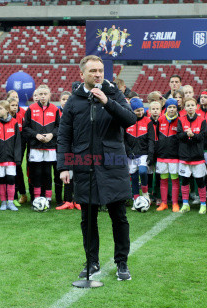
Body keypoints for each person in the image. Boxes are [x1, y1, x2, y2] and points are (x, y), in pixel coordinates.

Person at [57, 55, 136, 281]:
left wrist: (107, 102)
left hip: (113, 165)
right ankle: (92, 262)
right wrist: (64, 165)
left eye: (100, 70)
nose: (98, 74)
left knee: (119, 217)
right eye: (93, 71)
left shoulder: (113, 94)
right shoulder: (74, 100)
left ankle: (122, 263)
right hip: (85, 167)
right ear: (82, 74)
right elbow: (64, 136)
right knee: (88, 219)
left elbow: (130, 120)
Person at [24, 84, 60, 209]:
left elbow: (59, 127)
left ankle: (48, 199)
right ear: (37, 96)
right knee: (37, 173)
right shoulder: (31, 108)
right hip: (35, 147)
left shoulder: (55, 109)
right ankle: (37, 198)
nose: (43, 96)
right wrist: (36, 135)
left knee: (47, 173)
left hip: (50, 146)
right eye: (41, 94)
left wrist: (51, 134)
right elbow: (26, 128)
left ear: (49, 95)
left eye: (45, 94)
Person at [177, 97, 207, 214]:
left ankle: (203, 204)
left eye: (192, 105)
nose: (190, 107)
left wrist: (193, 135)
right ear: (184, 108)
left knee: (200, 181)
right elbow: (179, 136)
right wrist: (186, 134)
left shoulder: (202, 120)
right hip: (184, 156)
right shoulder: (181, 119)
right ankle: (185, 204)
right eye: (188, 105)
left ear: (196, 107)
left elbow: (202, 137)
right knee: (184, 181)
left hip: (197, 156)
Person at [149, 98, 180, 213]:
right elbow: (156, 137)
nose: (172, 109)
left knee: (175, 179)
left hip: (174, 155)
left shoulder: (180, 120)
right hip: (162, 155)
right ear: (166, 108)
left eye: (174, 107)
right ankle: (164, 203)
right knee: (163, 179)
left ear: (177, 108)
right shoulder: (161, 120)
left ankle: (175, 203)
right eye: (170, 107)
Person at [0, 100, 22, 211]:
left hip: (11, 158)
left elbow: (18, 142)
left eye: (0, 109)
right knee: (2, 180)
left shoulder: (14, 123)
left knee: (11, 179)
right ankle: (3, 202)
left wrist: (17, 158)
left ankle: (10, 202)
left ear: (7, 110)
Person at [124, 98, 151, 209]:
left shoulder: (148, 121)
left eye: (141, 110)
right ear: (132, 111)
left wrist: (150, 153)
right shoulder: (126, 121)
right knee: (134, 176)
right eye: (137, 111)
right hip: (131, 154)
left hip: (143, 153)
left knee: (143, 171)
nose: (140, 113)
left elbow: (151, 139)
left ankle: (145, 193)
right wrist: (128, 151)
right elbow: (123, 139)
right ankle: (136, 199)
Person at [56, 91, 81, 211]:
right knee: (68, 174)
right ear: (60, 101)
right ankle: (67, 201)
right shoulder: (58, 113)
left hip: (78, 148)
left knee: (77, 175)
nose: (66, 101)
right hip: (67, 148)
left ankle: (77, 200)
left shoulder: (76, 112)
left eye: (68, 99)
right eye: (63, 99)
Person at [8, 96, 28, 206]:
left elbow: (24, 131)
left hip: (19, 146)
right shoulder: (5, 117)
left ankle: (22, 193)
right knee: (9, 170)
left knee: (17, 168)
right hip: (7, 146)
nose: (15, 107)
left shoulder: (21, 116)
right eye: (12, 105)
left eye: (16, 105)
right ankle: (11, 194)